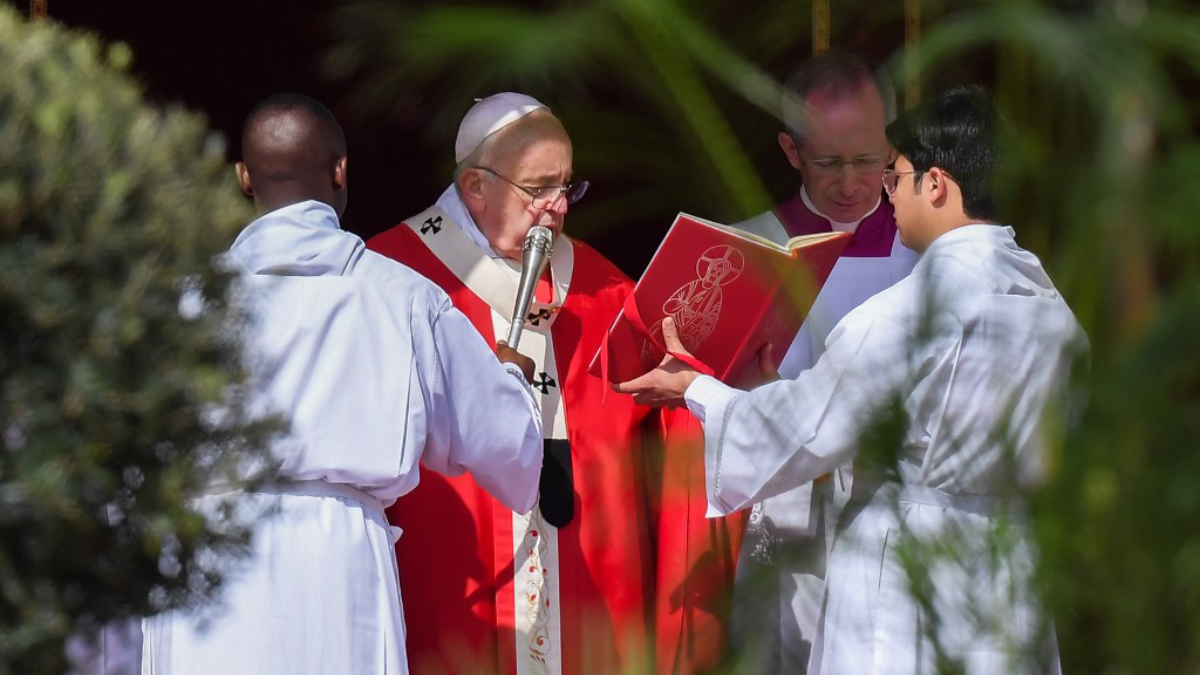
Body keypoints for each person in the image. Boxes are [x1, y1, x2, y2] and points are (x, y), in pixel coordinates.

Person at [616, 85, 1080, 675]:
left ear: (936, 184)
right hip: (1006, 560)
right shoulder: (1051, 309)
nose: (888, 196)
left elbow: (807, 430)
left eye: (895, 177)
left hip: (910, 562)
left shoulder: (911, 313)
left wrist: (695, 390)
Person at [140, 93, 545, 675]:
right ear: (340, 171)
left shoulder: (180, 305)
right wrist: (511, 375)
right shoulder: (404, 298)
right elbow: (506, 444)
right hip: (338, 568)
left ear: (244, 178)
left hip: (208, 565)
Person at [367, 93, 654, 675]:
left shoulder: (602, 288)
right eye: (539, 189)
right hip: (458, 573)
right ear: (475, 186)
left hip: (581, 581)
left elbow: (657, 410)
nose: (558, 208)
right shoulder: (392, 274)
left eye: (567, 187)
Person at [724, 51, 922, 674]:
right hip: (787, 514)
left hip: (898, 508)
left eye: (868, 160)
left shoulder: (930, 249)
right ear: (791, 150)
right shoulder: (747, 247)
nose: (850, 182)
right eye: (828, 162)